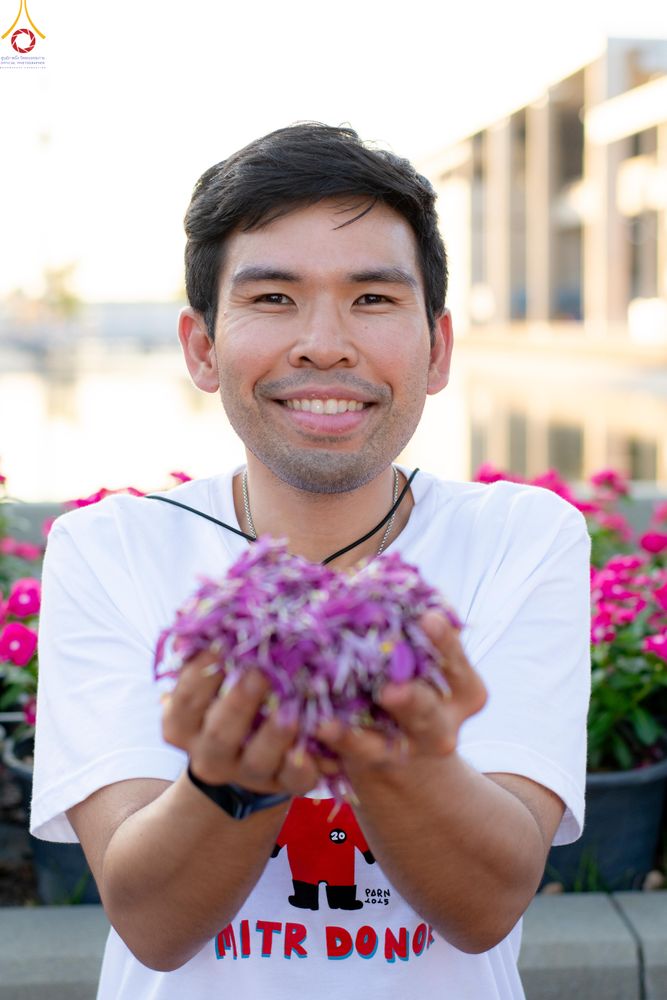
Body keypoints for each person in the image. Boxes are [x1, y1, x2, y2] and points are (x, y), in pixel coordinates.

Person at [31, 123, 591, 1000]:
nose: (324, 344)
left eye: (372, 300)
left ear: (437, 347)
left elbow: (486, 904)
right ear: (202, 347)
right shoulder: (109, 550)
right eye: (273, 299)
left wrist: (392, 751)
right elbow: (152, 925)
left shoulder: (521, 537)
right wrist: (230, 780)